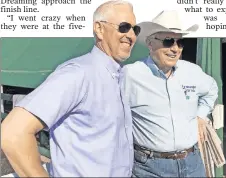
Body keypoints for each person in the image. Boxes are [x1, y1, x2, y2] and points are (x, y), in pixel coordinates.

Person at [1, 0, 141, 177]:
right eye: (124, 27)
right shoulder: (78, 74)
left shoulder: (117, 76)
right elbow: (13, 133)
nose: (131, 35)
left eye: (135, 29)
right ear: (99, 29)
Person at [122, 10, 218, 177]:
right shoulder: (130, 75)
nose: (175, 49)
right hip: (150, 167)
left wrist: (201, 116)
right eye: (168, 41)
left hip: (192, 163)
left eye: (179, 42)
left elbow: (212, 90)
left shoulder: (192, 71)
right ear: (150, 44)